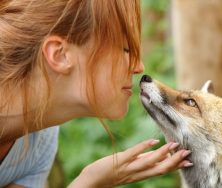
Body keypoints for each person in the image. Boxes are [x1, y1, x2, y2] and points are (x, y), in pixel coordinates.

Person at [0, 0, 192, 187]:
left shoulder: (40, 140)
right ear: (60, 55)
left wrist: (89, 181)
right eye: (125, 49)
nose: (138, 67)